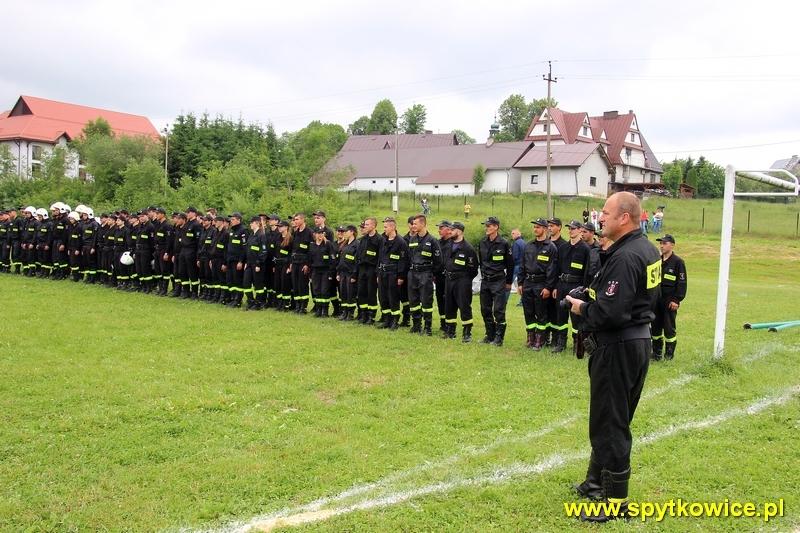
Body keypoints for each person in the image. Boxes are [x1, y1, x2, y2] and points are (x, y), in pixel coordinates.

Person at [565, 191, 661, 522]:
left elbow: (611, 312)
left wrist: (581, 308)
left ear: (624, 217)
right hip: (636, 340)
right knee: (611, 417)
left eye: (605, 212)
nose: (600, 217)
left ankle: (614, 503)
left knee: (610, 423)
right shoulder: (646, 249)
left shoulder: (626, 256)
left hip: (618, 345)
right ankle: (594, 483)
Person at [551, 220, 592, 353]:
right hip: (562, 284)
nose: (570, 231)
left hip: (576, 286)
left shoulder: (585, 249)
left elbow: (587, 271)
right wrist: (556, 286)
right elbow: (557, 268)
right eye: (569, 228)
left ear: (580, 230)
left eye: (573, 228)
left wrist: (584, 289)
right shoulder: (563, 247)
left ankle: (577, 343)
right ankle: (561, 342)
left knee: (576, 317)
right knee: (560, 314)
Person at [517, 218, 557, 350]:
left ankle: (540, 339)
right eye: (534, 227)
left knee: (541, 313)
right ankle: (531, 337)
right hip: (528, 283)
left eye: (538, 227)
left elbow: (552, 269)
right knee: (528, 312)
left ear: (545, 229)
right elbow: (522, 265)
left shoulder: (551, 247)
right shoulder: (528, 245)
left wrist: (548, 287)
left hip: (541, 284)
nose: (535, 229)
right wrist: (520, 283)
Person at [478, 216, 514, 346]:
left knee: (498, 310)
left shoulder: (504, 243)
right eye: (486, 226)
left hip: (498, 280)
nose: (486, 228)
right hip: (485, 280)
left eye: (489, 226)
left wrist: (509, 282)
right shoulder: (482, 242)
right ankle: (490, 335)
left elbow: (510, 264)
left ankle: (499, 338)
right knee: (485, 309)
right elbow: (481, 261)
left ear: (496, 227)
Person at [652, 234, 687, 360]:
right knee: (655, 327)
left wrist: (676, 299)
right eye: (660, 243)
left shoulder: (678, 262)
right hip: (656, 300)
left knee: (669, 328)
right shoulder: (656, 260)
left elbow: (682, 283)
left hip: (669, 301)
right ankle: (656, 354)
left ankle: (668, 355)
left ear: (672, 245)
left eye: (664, 243)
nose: (661, 246)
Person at [442, 221, 479, 342]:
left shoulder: (468, 248)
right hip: (449, 279)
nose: (450, 232)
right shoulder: (448, 245)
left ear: (459, 231)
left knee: (464, 306)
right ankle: (450, 331)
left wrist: (465, 280)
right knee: (449, 305)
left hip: (462, 281)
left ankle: (467, 333)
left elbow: (473, 269)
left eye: (452, 230)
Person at [407, 214, 442, 335]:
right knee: (413, 300)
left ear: (423, 224)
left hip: (425, 274)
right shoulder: (412, 239)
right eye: (413, 224)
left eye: (415, 224)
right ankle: (416, 325)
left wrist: (431, 274)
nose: (413, 226)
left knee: (426, 301)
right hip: (413, 273)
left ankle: (427, 327)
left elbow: (438, 261)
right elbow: (409, 256)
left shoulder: (432, 241)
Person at [376, 217, 409, 329]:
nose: (384, 229)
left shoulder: (401, 242)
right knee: (383, 297)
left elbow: (403, 261)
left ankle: (395, 320)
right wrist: (378, 273)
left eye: (386, 227)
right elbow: (380, 257)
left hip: (393, 274)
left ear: (393, 227)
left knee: (393, 297)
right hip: (382, 273)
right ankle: (387, 319)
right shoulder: (383, 240)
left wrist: (401, 276)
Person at [355, 217, 382, 324]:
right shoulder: (363, 239)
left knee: (371, 293)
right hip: (362, 268)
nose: (365, 226)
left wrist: (377, 273)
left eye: (367, 225)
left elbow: (380, 257)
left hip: (372, 269)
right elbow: (358, 255)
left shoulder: (379, 240)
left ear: (373, 226)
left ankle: (371, 316)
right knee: (361, 292)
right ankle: (363, 314)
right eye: (364, 225)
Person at [308, 225, 337, 317]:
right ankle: (318, 309)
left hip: (326, 271)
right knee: (316, 290)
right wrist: (310, 274)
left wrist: (331, 273)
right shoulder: (312, 245)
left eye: (322, 233)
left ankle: (325, 311)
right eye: (318, 233)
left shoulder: (328, 244)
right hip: (315, 271)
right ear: (314, 234)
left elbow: (333, 259)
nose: (320, 235)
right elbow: (310, 260)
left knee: (324, 290)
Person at [243, 216, 269, 310]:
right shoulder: (251, 235)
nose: (250, 224)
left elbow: (263, 251)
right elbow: (248, 250)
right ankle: (251, 301)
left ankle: (258, 303)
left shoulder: (261, 235)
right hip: (249, 263)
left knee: (258, 285)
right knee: (246, 283)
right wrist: (246, 262)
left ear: (257, 223)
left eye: (252, 222)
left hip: (258, 264)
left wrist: (258, 263)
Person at [226, 212, 250, 307]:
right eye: (231, 219)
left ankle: (238, 300)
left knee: (237, 280)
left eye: (233, 219)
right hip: (230, 259)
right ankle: (233, 298)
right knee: (230, 280)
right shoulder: (232, 231)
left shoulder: (243, 230)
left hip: (237, 261)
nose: (231, 221)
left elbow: (244, 248)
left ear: (238, 220)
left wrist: (241, 261)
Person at [336, 224, 359, 320]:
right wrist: (338, 273)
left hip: (350, 273)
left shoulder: (356, 244)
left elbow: (357, 261)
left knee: (350, 293)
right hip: (343, 272)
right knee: (343, 293)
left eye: (346, 231)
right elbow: (340, 260)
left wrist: (354, 275)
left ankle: (350, 313)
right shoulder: (344, 244)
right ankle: (344, 312)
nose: (344, 233)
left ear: (352, 232)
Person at [434, 220, 453, 331]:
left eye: (441, 228)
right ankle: (443, 323)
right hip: (439, 277)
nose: (439, 230)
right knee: (440, 299)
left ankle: (449, 324)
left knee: (448, 300)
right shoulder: (437, 243)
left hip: (449, 278)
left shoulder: (453, 243)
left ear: (449, 229)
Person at [273, 220, 294, 311]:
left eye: (281, 226)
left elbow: (291, 253)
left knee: (285, 284)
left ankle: (286, 304)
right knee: (277, 283)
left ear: (286, 227)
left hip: (285, 264)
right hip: (277, 264)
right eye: (278, 226)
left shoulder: (290, 238)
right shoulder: (277, 237)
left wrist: (290, 266)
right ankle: (280, 303)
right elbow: (275, 251)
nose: (279, 228)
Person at [509, 228, 525, 306]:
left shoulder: (516, 243)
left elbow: (514, 256)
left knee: (508, 283)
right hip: (523, 266)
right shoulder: (524, 243)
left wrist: (510, 265)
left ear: (518, 234)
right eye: (511, 233)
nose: (512, 235)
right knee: (521, 284)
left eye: (513, 233)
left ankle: (503, 300)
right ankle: (522, 301)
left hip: (516, 266)